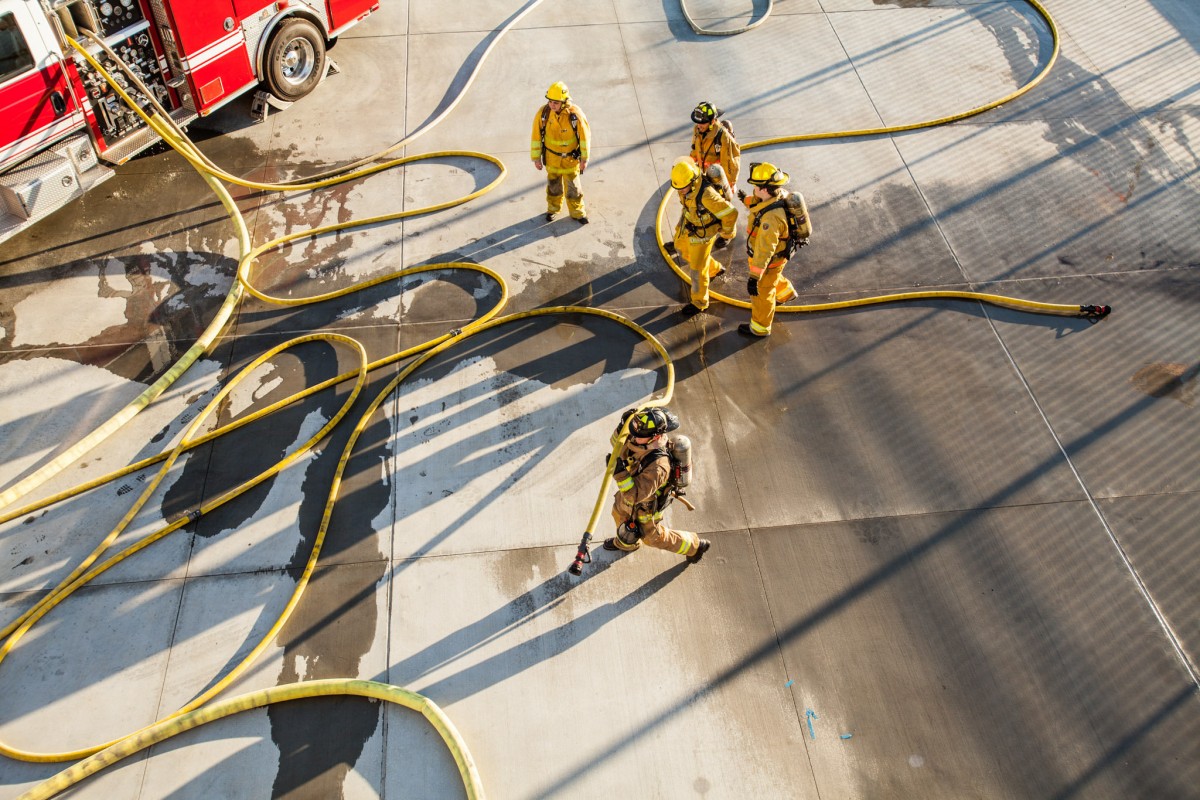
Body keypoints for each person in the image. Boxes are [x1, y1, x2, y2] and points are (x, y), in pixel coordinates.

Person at [604, 408, 711, 563]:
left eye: (638, 435)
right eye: (633, 432)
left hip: (644, 506)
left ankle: (694, 546)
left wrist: (620, 473)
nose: (633, 436)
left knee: (653, 538)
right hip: (625, 498)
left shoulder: (659, 467)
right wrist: (621, 427)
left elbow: (635, 495)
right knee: (618, 514)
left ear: (655, 436)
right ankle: (627, 543)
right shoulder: (640, 440)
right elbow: (617, 445)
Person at [739, 162, 811, 338]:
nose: (753, 189)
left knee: (762, 294)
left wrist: (754, 278)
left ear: (764, 189)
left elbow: (765, 250)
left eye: (755, 186)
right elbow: (760, 205)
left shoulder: (770, 220)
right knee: (773, 279)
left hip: (769, 261)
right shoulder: (779, 195)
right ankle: (785, 293)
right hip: (777, 259)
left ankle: (760, 327)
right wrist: (745, 200)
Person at [668, 158, 738, 317]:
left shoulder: (707, 196)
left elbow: (730, 213)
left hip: (702, 235)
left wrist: (726, 234)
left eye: (683, 187)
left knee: (697, 271)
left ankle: (700, 302)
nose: (681, 191)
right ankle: (715, 269)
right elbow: (687, 207)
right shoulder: (685, 185)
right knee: (681, 247)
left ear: (692, 181)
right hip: (689, 226)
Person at [531, 81, 591, 224]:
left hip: (570, 160)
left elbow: (584, 138)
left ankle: (578, 213)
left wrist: (584, 159)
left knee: (574, 188)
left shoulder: (575, 115)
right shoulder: (543, 114)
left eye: (556, 103)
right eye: (550, 101)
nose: (552, 105)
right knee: (553, 186)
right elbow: (536, 136)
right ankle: (553, 209)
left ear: (564, 102)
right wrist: (536, 158)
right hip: (551, 159)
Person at [690, 101, 741, 194]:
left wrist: (729, 183)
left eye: (702, 123)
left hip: (719, 177)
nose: (699, 126)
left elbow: (730, 162)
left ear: (712, 121)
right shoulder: (697, 129)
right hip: (705, 174)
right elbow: (695, 148)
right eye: (697, 123)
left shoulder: (723, 136)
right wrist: (690, 163)